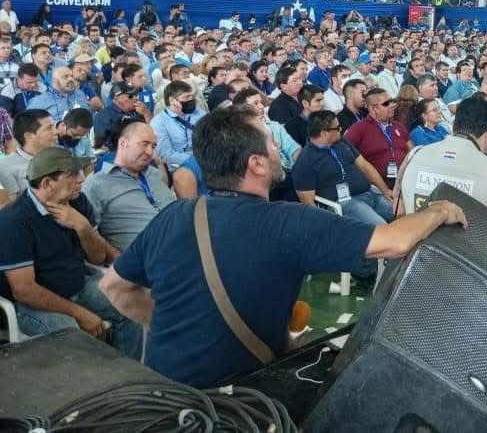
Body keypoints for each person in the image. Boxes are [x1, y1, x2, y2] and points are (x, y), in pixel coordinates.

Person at [99, 106, 466, 388]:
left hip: (163, 398)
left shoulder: (176, 214)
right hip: (240, 400)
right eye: (271, 142)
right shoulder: (290, 222)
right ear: (256, 163)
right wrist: (437, 210)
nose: (279, 148)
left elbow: (113, 287)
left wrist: (167, 324)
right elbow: (396, 240)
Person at [0, 147, 142, 358]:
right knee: (73, 336)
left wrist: (82, 227)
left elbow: (97, 258)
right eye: (73, 174)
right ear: (47, 183)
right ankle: (96, 385)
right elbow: (24, 290)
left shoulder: (77, 202)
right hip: (31, 304)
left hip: (77, 284)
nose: (82, 179)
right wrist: (80, 313)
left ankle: (130, 377)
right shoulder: (14, 220)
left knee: (131, 307)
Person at [395, 95, 487, 237]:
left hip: (418, 253)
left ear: (453, 126)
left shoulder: (413, 155)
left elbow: (399, 208)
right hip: (473, 257)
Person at [292, 110, 393, 232]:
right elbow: (308, 203)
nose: (341, 129)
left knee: (403, 212)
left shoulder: (342, 142)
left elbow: (364, 166)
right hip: (346, 204)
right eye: (338, 127)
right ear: (324, 133)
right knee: (383, 229)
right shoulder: (305, 161)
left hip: (369, 193)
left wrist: (385, 190)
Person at [82, 122, 175, 251]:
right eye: (144, 144)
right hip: (147, 259)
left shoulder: (153, 174)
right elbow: (89, 234)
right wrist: (119, 262)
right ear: (123, 143)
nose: (150, 152)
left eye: (153, 146)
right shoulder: (97, 184)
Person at [345, 88, 412, 185]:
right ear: (373, 108)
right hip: (379, 183)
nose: (392, 105)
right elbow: (345, 154)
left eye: (392, 101)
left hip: (406, 178)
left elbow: (412, 150)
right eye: (386, 103)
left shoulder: (398, 126)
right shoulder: (359, 128)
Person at [0, 109, 57, 202]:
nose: (56, 131)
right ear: (28, 135)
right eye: (49, 127)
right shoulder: (5, 167)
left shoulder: (61, 156)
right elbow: (10, 209)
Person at [150, 80, 202, 167]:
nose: (191, 100)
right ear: (172, 100)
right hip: (181, 166)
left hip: (205, 157)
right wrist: (197, 161)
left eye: (192, 96)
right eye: (187, 97)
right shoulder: (158, 123)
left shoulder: (198, 112)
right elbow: (167, 155)